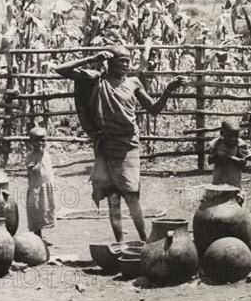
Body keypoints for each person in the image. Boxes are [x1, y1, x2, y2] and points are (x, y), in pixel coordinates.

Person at [55, 46, 186, 242]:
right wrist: (92, 58)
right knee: (113, 200)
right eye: (120, 61)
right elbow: (61, 69)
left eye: (127, 60)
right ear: (109, 62)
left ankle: (144, 241)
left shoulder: (133, 82)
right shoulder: (97, 79)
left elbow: (154, 109)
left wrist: (168, 90)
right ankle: (120, 244)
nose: (125, 64)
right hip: (107, 146)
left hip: (128, 146)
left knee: (132, 197)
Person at [25, 126, 56, 245]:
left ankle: (41, 238)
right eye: (36, 140)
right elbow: (34, 171)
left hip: (47, 188)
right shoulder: (31, 156)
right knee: (37, 212)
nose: (40, 143)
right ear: (31, 141)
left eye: (42, 140)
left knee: (45, 211)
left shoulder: (46, 154)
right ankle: (37, 238)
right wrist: (39, 157)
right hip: (37, 189)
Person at [208, 121, 251, 189]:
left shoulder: (240, 144)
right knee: (217, 198)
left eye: (236, 136)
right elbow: (209, 160)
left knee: (233, 198)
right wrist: (217, 154)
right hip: (218, 181)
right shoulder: (216, 143)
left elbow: (243, 163)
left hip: (234, 182)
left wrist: (229, 157)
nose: (233, 139)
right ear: (222, 133)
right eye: (229, 136)